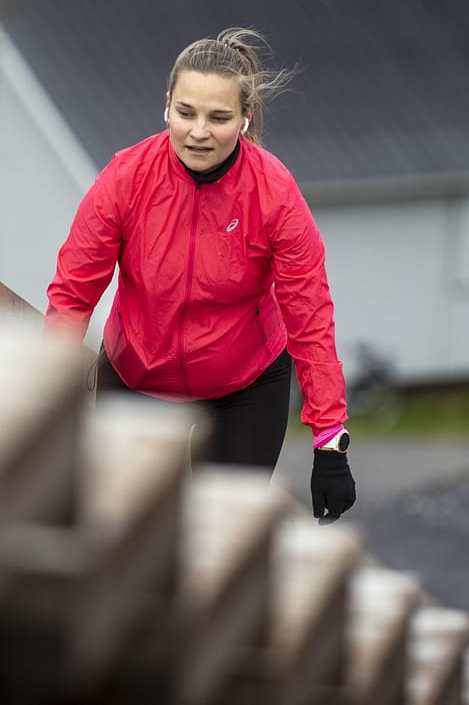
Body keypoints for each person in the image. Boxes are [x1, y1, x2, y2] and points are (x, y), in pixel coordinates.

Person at [45, 27, 355, 523]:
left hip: (244, 389)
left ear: (245, 117)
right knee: (127, 529)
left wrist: (329, 441)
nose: (199, 131)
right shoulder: (126, 178)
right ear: (167, 104)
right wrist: (47, 393)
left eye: (219, 117)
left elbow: (310, 317)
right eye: (186, 113)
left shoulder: (273, 192)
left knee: (222, 539)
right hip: (137, 377)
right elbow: (73, 293)